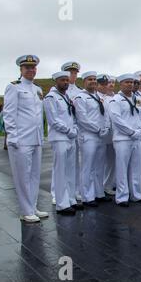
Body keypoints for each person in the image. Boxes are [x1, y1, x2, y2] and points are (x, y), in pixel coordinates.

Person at [3, 55, 48, 222]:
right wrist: (12, 137)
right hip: (21, 139)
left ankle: (33, 205)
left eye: (33, 67)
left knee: (35, 175)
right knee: (22, 175)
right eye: (27, 67)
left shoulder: (37, 89)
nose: (31, 70)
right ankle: (25, 210)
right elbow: (9, 113)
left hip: (36, 138)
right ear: (21, 70)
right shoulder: (14, 87)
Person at [108, 74, 141, 207]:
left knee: (136, 167)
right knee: (122, 168)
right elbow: (116, 119)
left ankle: (136, 194)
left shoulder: (138, 99)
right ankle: (122, 196)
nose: (130, 84)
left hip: (137, 138)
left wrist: (140, 130)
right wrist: (131, 132)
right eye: (127, 82)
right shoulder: (116, 100)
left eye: (132, 82)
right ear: (121, 84)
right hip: (122, 139)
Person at [73, 71, 112, 207]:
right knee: (88, 167)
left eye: (94, 79)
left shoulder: (98, 97)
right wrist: (98, 129)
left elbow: (105, 114)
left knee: (99, 166)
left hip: (101, 136)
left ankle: (99, 193)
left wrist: (106, 128)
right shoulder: (80, 97)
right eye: (90, 79)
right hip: (88, 135)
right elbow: (82, 118)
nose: (93, 81)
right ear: (84, 81)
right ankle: (87, 197)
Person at [44, 71, 80, 216]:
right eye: (62, 80)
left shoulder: (66, 97)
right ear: (56, 81)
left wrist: (75, 129)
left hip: (70, 137)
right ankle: (61, 203)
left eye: (67, 80)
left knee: (71, 170)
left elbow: (73, 117)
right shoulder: (51, 97)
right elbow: (53, 120)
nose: (66, 82)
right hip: (60, 138)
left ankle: (71, 200)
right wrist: (69, 130)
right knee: (60, 171)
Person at [62, 61, 83, 202]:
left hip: (75, 131)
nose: (72, 75)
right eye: (70, 72)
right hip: (63, 132)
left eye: (75, 73)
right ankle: (56, 192)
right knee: (61, 164)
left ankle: (74, 191)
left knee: (75, 163)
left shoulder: (80, 91)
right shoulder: (59, 90)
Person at [97, 74, 116, 196]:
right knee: (99, 163)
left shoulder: (116, 97)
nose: (110, 84)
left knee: (111, 161)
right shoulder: (96, 96)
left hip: (113, 135)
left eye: (113, 82)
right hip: (100, 134)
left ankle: (107, 185)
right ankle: (98, 188)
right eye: (108, 82)